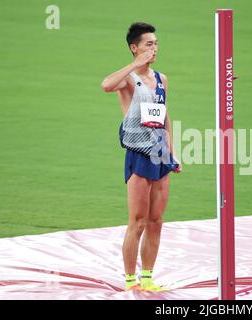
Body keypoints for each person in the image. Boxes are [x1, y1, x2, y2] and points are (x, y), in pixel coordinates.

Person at [101, 22, 182, 292]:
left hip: (160, 154)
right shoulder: (128, 78)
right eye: (149, 44)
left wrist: (172, 152)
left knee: (156, 220)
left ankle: (148, 278)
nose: (154, 49)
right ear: (135, 48)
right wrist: (135, 64)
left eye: (156, 44)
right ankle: (129, 281)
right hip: (138, 154)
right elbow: (106, 85)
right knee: (137, 221)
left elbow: (164, 116)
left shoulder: (162, 79)